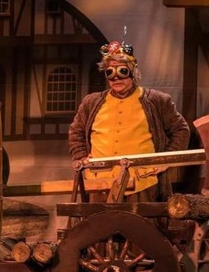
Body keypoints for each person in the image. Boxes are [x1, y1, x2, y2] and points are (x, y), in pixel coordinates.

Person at [68, 39, 190, 202]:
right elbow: (76, 131)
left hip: (142, 183)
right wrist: (82, 156)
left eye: (122, 71)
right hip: (100, 183)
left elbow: (181, 130)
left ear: (133, 72)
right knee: (99, 219)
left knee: (140, 219)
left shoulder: (156, 100)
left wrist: (166, 160)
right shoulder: (92, 102)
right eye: (110, 72)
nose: (116, 78)